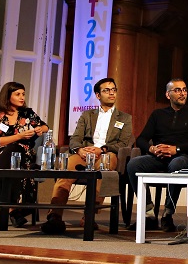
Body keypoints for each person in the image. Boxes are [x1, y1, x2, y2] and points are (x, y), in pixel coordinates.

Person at [40, 77, 133, 235]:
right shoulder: (87, 115)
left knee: (103, 170)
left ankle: (89, 215)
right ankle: (54, 216)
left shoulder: (124, 118)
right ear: (98, 95)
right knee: (65, 170)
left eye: (114, 90)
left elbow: (124, 143)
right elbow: (75, 138)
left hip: (107, 154)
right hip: (84, 153)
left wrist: (102, 149)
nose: (111, 93)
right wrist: (79, 150)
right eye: (107, 90)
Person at [126, 78, 188, 232]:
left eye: (184, 90)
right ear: (168, 94)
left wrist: (176, 149)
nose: (182, 93)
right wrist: (152, 149)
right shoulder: (158, 114)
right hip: (158, 157)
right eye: (177, 90)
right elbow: (141, 139)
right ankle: (149, 213)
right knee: (133, 164)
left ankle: (168, 214)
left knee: (176, 165)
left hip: (181, 157)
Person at [0, 81, 49, 227]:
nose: (22, 97)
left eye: (23, 94)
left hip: (24, 157)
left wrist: (40, 130)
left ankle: (2, 205)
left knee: (16, 149)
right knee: (13, 149)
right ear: (7, 96)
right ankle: (12, 210)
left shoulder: (28, 113)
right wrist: (19, 136)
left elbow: (45, 126)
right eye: (17, 94)